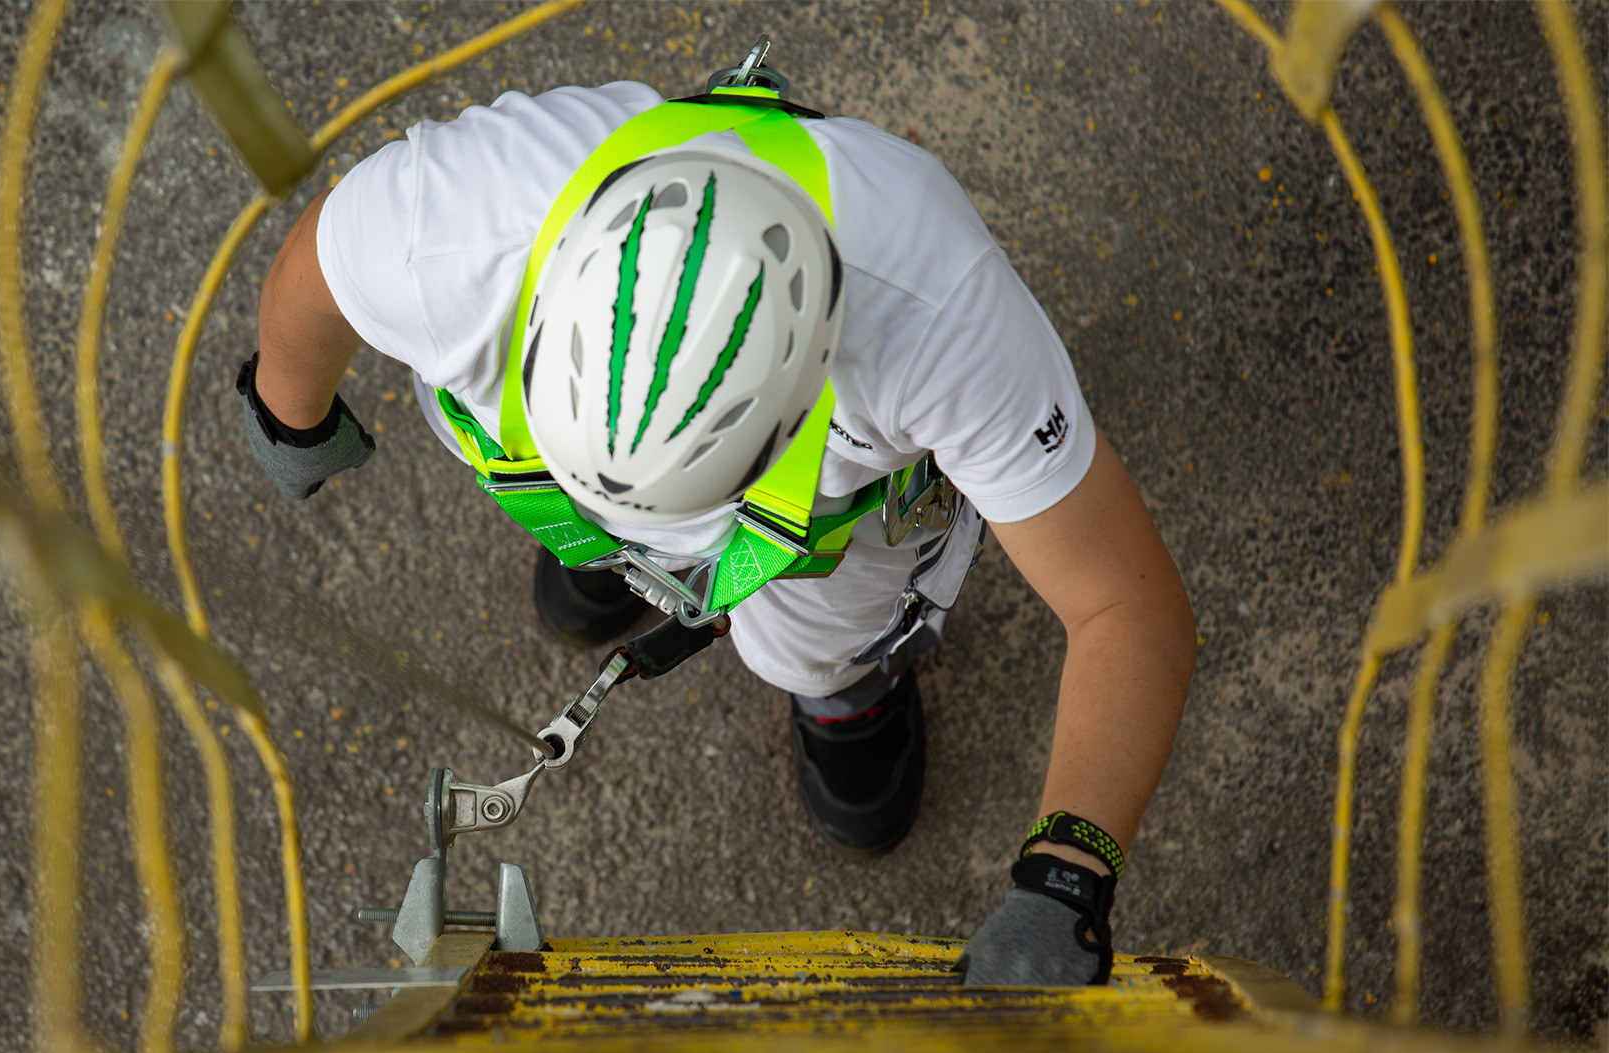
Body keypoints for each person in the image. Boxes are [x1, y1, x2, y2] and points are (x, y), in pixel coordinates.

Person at [240, 67, 1195, 986]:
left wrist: (1066, 875)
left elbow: (1123, 606)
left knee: (814, 643)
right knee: (596, 539)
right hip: (554, 461)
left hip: (823, 537)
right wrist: (290, 411)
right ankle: (601, 553)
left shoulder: (936, 319)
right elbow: (317, 272)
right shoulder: (452, 221)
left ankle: (841, 692)